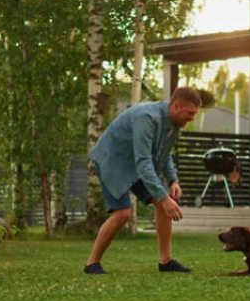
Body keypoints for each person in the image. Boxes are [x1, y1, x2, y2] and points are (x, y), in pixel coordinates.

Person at [84, 87, 202, 275]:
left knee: (163, 204)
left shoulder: (175, 123)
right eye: (190, 113)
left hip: (137, 165)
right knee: (123, 214)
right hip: (112, 160)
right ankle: (92, 263)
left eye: (194, 114)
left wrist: (173, 180)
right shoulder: (147, 117)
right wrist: (164, 198)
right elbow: (144, 162)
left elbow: (165, 154)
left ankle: (166, 262)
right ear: (177, 106)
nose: (192, 118)